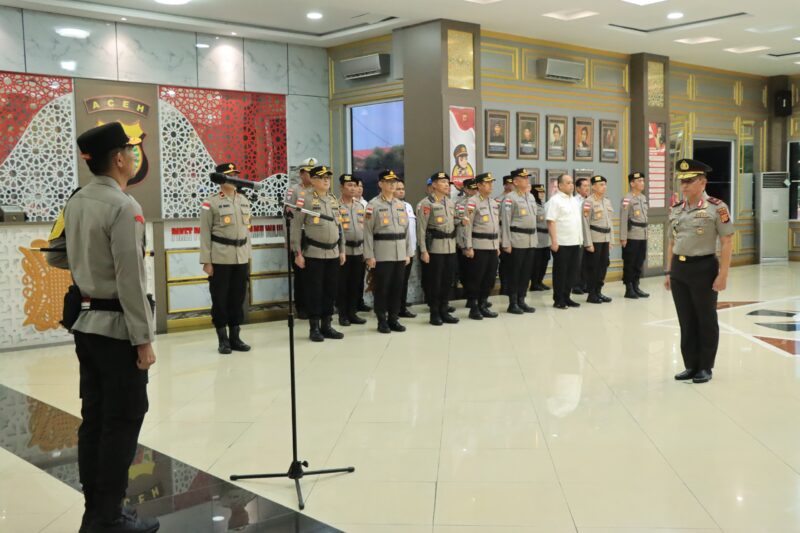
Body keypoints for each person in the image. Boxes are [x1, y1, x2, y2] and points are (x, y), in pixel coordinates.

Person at [46, 122, 159, 533]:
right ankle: (110, 517)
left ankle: (95, 509)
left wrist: (87, 267)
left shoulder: (76, 202)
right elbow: (131, 280)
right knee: (123, 420)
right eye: (131, 151)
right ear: (118, 159)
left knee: (94, 418)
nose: (135, 157)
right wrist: (143, 340)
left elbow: (54, 255)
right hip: (117, 330)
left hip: (86, 326)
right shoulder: (123, 206)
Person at [665, 159, 734, 384]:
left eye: (690, 181)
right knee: (686, 319)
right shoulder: (676, 209)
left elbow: (726, 242)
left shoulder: (717, 207)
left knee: (705, 318)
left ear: (703, 182)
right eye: (682, 181)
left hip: (704, 267)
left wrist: (723, 274)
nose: (684, 185)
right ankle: (690, 365)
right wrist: (668, 272)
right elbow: (671, 242)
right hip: (679, 269)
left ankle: (705, 366)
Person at [200, 162, 252, 354]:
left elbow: (247, 232)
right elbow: (205, 233)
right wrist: (206, 260)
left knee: (237, 299)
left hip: (241, 257)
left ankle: (235, 338)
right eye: (231, 175)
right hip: (220, 257)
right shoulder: (210, 202)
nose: (235, 178)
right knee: (220, 299)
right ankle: (223, 340)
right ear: (221, 179)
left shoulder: (244, 200)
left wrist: (248, 256)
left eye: (236, 174)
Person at [290, 166, 346, 342]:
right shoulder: (304, 200)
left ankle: (327, 325)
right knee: (315, 291)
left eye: (328, 178)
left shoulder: (333, 200)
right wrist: (297, 253)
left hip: (333, 252)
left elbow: (339, 226)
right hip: (313, 252)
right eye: (321, 178)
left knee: (330, 291)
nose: (326, 181)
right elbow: (296, 227)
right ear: (312, 180)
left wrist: (342, 250)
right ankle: (314, 327)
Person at [364, 170, 411, 333]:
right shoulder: (373, 205)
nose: (392, 184)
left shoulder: (400, 205)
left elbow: (406, 231)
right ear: (380, 184)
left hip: (399, 252)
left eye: (394, 182)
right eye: (388, 181)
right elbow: (368, 232)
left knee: (397, 287)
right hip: (382, 253)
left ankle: (393, 318)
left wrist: (407, 253)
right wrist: (369, 255)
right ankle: (381, 320)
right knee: (382, 288)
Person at [417, 172, 459, 325]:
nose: (447, 184)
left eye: (448, 182)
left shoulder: (450, 203)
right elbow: (421, 229)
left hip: (450, 248)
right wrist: (423, 250)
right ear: (433, 185)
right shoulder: (426, 203)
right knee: (435, 282)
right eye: (442, 182)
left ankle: (444, 310)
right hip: (434, 248)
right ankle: (434, 312)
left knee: (447, 281)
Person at [461, 172, 500, 320]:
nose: (490, 185)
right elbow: (467, 226)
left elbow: (497, 226)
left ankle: (484, 305)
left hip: (492, 246)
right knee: (476, 278)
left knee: (489, 278)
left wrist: (497, 245)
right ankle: (474, 308)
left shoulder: (493, 202)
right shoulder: (472, 202)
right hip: (478, 246)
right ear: (478, 185)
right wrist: (468, 246)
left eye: (491, 182)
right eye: (487, 183)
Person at [500, 168, 537, 314]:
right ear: (515, 181)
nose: (527, 180)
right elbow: (505, 222)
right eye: (523, 178)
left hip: (530, 240)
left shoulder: (531, 197)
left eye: (527, 178)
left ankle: (522, 300)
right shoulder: (510, 198)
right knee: (514, 273)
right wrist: (506, 243)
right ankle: (513, 302)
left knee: (526, 272)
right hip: (516, 240)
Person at [285, 157, 317, 319]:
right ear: (301, 173)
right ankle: (302, 307)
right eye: (309, 173)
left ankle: (314, 306)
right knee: (301, 275)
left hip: (315, 236)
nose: (312, 176)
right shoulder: (294, 191)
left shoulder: (319, 191)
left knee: (315, 274)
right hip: (300, 235)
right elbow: (289, 218)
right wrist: (291, 242)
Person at [546, 174, 584, 309]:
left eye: (572, 183)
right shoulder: (555, 201)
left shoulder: (574, 200)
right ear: (560, 185)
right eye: (568, 183)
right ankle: (558, 299)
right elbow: (551, 221)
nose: (571, 185)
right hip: (561, 243)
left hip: (575, 241)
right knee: (560, 273)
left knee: (572, 273)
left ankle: (567, 297)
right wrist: (554, 241)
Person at [336, 173, 367, 326]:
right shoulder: (336, 206)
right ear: (341, 187)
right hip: (344, 251)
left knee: (356, 283)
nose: (353, 188)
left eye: (355, 185)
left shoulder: (360, 206)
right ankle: (343, 315)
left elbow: (366, 230)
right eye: (349, 185)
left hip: (359, 250)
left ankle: (352, 313)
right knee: (343, 285)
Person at [581, 175, 614, 304]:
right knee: (593, 267)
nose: (604, 187)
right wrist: (588, 243)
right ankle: (591, 294)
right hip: (594, 239)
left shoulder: (607, 201)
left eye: (605, 184)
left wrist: (611, 240)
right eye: (601, 184)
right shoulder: (588, 202)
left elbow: (609, 222)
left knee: (604, 265)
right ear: (593, 186)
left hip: (605, 238)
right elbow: (585, 223)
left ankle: (599, 291)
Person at [621, 171, 650, 299]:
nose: (642, 183)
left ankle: (636, 286)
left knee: (639, 262)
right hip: (632, 235)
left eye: (643, 181)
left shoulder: (643, 198)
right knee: (630, 263)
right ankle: (629, 288)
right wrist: (623, 237)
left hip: (642, 235)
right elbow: (623, 218)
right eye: (639, 181)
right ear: (632, 183)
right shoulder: (627, 199)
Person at [395, 179, 417, 318]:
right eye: (398, 189)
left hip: (410, 250)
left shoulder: (408, 206)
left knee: (404, 282)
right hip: (396, 250)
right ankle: (392, 309)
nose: (401, 191)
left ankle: (402, 308)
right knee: (395, 282)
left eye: (403, 188)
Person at [530, 183, 551, 291]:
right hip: (537, 238)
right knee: (536, 263)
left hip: (546, 238)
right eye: (539, 192)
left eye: (543, 192)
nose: (542, 194)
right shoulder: (532, 205)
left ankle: (540, 281)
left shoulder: (544, 205)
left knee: (545, 260)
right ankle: (534, 283)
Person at [354, 180, 371, 313]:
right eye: (356, 186)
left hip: (364, 245)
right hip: (350, 246)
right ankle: (349, 305)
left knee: (360, 277)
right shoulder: (346, 204)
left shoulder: (366, 204)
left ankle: (360, 301)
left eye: (361, 186)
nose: (359, 189)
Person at [572, 177, 591, 296]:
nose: (587, 188)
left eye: (588, 186)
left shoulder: (590, 201)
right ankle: (575, 285)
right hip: (578, 234)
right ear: (578, 188)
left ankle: (585, 284)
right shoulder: (574, 201)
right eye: (584, 186)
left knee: (587, 261)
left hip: (588, 235)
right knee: (577, 261)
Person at [496, 174, 514, 296]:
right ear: (505, 185)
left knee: (514, 263)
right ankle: (505, 286)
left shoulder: (516, 198)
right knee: (505, 262)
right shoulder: (498, 199)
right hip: (503, 233)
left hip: (515, 234)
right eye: (509, 184)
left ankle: (512, 286)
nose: (511, 186)